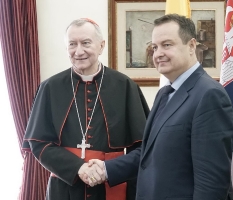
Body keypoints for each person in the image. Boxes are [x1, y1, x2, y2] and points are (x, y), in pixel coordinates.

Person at [89, 14, 233, 200]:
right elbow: (149, 152)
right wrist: (106, 168)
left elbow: (211, 182)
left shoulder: (209, 95)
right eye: (154, 47)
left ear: (191, 46)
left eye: (167, 45)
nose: (158, 54)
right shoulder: (164, 94)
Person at [22, 18, 149, 200]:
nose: (79, 51)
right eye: (72, 44)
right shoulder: (50, 87)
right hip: (65, 187)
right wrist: (78, 167)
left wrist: (108, 169)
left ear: (101, 45)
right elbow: (38, 143)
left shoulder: (125, 86)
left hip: (112, 184)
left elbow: (144, 146)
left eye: (86, 43)